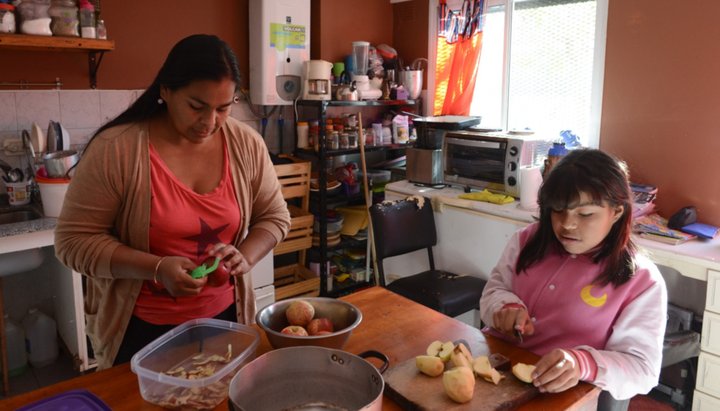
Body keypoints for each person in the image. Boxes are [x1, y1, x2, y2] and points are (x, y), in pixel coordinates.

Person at [54, 34, 291, 369]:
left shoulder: (246, 144)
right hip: (140, 333)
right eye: (197, 107)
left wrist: (244, 256)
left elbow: (275, 217)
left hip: (226, 320)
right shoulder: (117, 149)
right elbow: (72, 242)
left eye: (224, 108)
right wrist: (156, 268)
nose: (210, 124)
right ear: (166, 91)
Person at [480, 149, 667, 410]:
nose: (567, 224)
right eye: (558, 210)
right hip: (493, 370)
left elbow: (642, 369)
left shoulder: (641, 280)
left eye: (585, 214)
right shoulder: (527, 240)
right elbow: (495, 288)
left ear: (616, 212)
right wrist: (504, 306)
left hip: (561, 398)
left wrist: (582, 363)